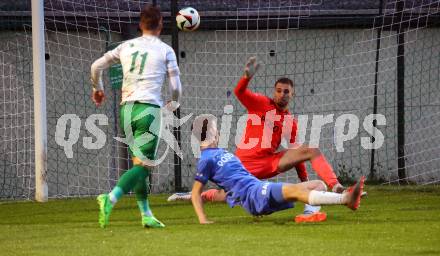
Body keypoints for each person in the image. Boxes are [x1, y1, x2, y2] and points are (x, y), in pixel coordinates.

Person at [169, 57, 346, 223]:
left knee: (310, 150)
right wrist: (246, 77)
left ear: (293, 95)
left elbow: (296, 155)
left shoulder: (290, 122)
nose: (282, 94)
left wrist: (303, 181)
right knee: (226, 196)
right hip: (244, 163)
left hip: (269, 162)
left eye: (286, 92)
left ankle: (334, 188)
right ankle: (193, 195)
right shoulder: (261, 103)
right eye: (279, 91)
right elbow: (239, 92)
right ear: (273, 92)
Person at [90, 4, 182, 228]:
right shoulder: (165, 50)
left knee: (138, 164)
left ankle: (146, 213)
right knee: (143, 166)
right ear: (160, 25)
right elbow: (176, 86)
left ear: (140, 25)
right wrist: (174, 102)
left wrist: (97, 89)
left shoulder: (126, 46)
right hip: (148, 110)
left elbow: (96, 66)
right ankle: (110, 198)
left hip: (126, 110)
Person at [190, 115, 364, 224]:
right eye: (215, 127)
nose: (218, 130)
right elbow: (197, 191)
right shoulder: (206, 160)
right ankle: (345, 199)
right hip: (255, 193)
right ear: (212, 132)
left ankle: (311, 213)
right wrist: (203, 219)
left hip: (256, 192)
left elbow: (230, 188)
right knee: (295, 190)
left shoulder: (221, 153)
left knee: (317, 184)